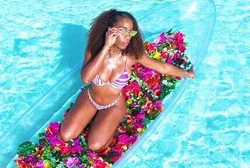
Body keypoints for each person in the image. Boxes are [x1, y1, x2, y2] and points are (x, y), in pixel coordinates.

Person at [59, 9, 195, 152]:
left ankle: (109, 127)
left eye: (131, 32)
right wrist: (106, 47)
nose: (127, 37)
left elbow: (161, 67)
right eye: (123, 31)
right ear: (110, 31)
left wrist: (187, 73)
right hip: (90, 97)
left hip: (113, 104)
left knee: (95, 146)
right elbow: (85, 78)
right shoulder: (93, 49)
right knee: (65, 135)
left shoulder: (131, 55)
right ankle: (97, 122)